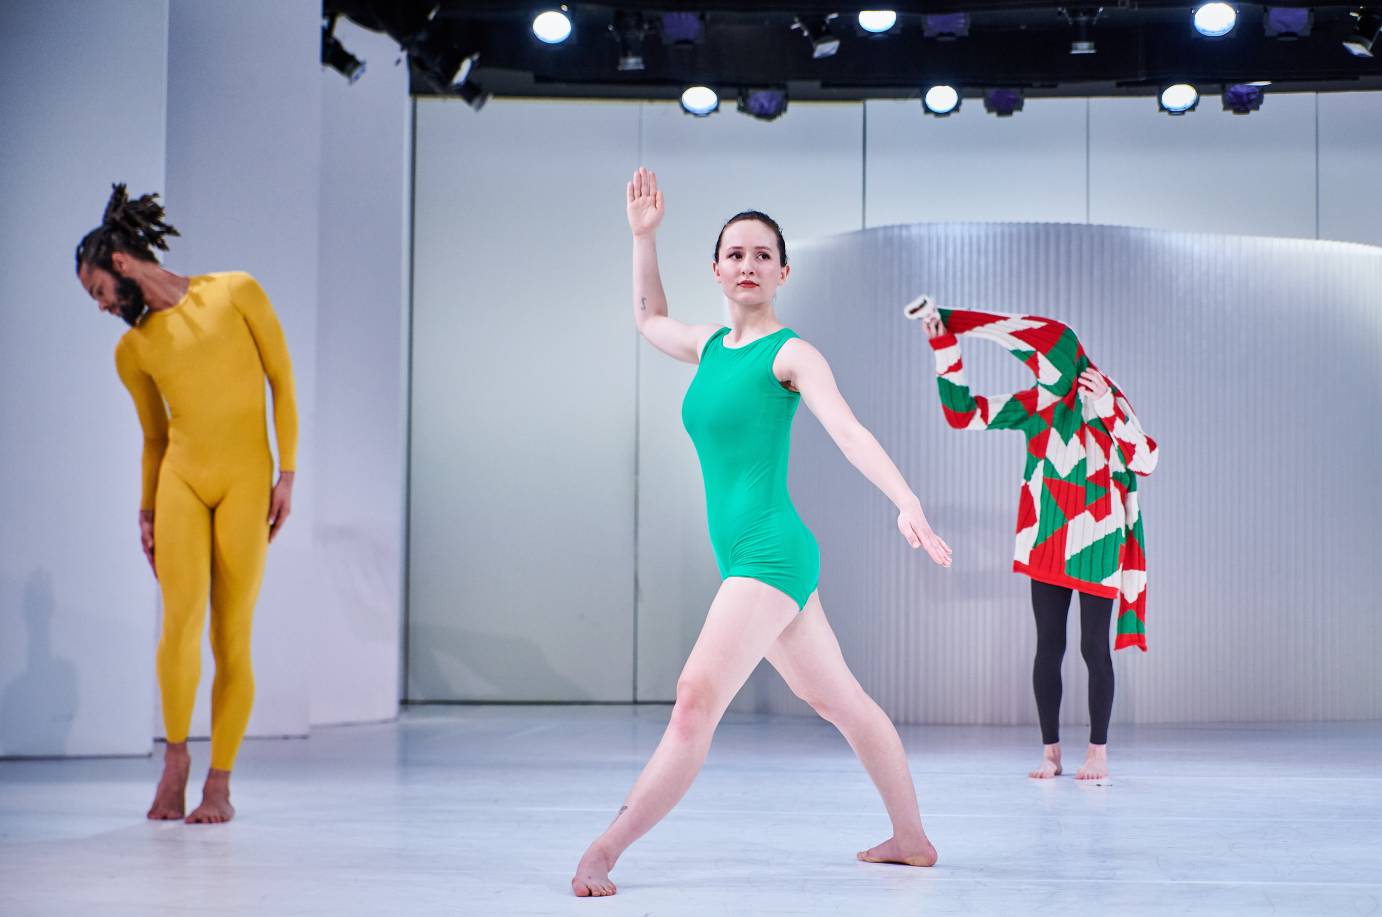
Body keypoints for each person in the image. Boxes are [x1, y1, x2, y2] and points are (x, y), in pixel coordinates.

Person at [571, 169, 952, 897]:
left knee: (694, 698)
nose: (748, 264)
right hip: (754, 559)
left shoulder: (792, 354)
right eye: (735, 254)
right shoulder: (709, 345)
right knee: (841, 702)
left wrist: (905, 499)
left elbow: (849, 431)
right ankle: (911, 839)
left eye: (763, 255)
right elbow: (650, 319)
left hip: (770, 554)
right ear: (717, 269)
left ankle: (605, 850)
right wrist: (643, 238)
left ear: (783, 271)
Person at [75, 184, 298, 823]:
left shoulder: (236, 291)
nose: (101, 306)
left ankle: (219, 785)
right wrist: (146, 509)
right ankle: (175, 762)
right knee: (179, 623)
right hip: (181, 482)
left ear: (121, 264)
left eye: (98, 291)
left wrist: (287, 473)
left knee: (232, 633)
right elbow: (154, 437)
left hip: (246, 480)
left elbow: (281, 380)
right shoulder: (133, 350)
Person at [911, 300, 1157, 782]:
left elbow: (1145, 459)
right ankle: (1051, 754)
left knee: (1093, 647)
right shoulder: (1037, 404)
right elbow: (963, 414)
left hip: (1099, 541)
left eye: (1042, 362)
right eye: (1034, 364)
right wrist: (944, 346)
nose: (1039, 371)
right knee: (1049, 646)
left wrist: (1108, 406)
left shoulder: (1105, 396)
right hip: (1046, 539)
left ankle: (1098, 753)